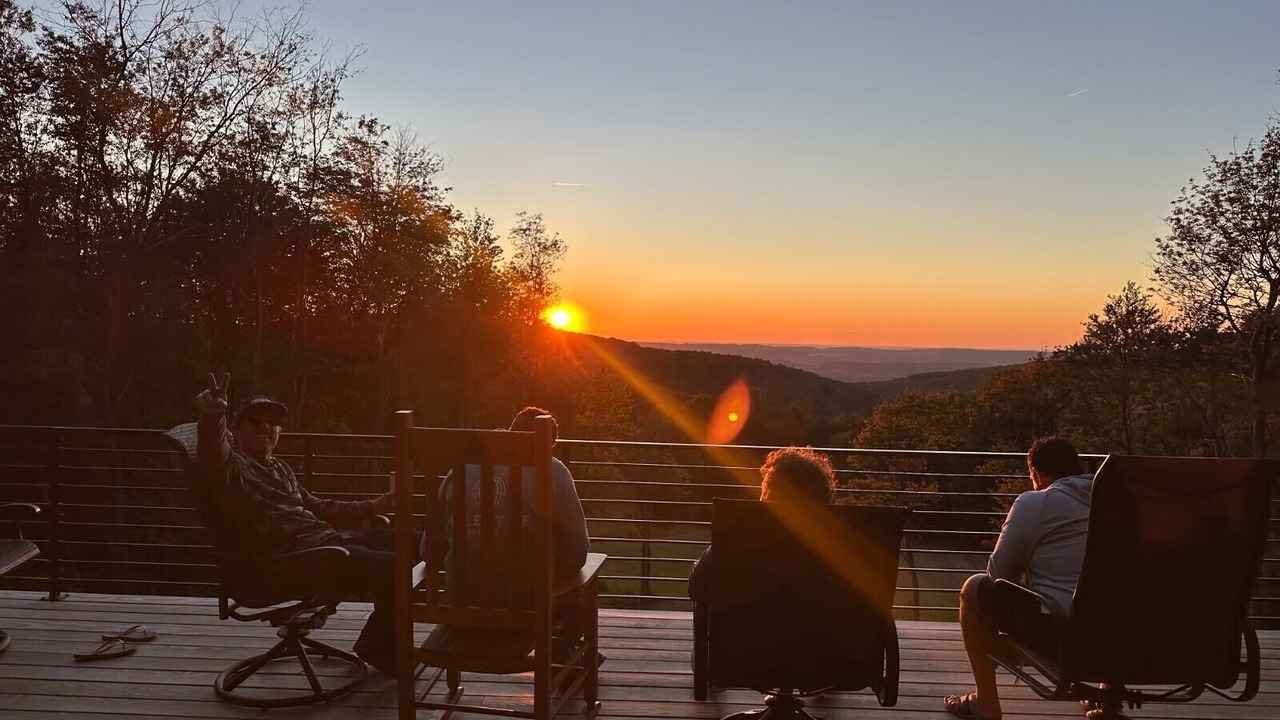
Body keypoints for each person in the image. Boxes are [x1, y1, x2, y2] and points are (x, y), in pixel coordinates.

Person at [194, 373, 399, 674]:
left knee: (411, 543)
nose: (265, 426)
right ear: (235, 429)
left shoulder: (279, 468)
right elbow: (213, 451)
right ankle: (381, 649)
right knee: (395, 567)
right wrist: (212, 418)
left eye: (272, 422)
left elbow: (317, 506)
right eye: (254, 420)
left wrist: (372, 506)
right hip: (286, 562)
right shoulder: (232, 469)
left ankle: (378, 643)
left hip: (323, 545)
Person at [420, 407, 594, 659]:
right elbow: (576, 555)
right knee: (580, 601)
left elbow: (429, 552)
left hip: (460, 608)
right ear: (548, 444)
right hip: (528, 612)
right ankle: (563, 654)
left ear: (511, 432)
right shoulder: (553, 471)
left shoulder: (460, 469)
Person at [944, 436, 1093, 720]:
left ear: (1035, 473)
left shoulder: (1036, 502)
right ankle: (1106, 700)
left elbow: (998, 576)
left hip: (1060, 634)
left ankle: (985, 701)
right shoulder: (1117, 505)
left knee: (974, 588)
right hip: (1123, 634)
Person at [687, 446, 837, 603]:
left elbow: (696, 588)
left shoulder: (737, 540)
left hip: (746, 627)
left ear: (767, 495)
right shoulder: (840, 550)